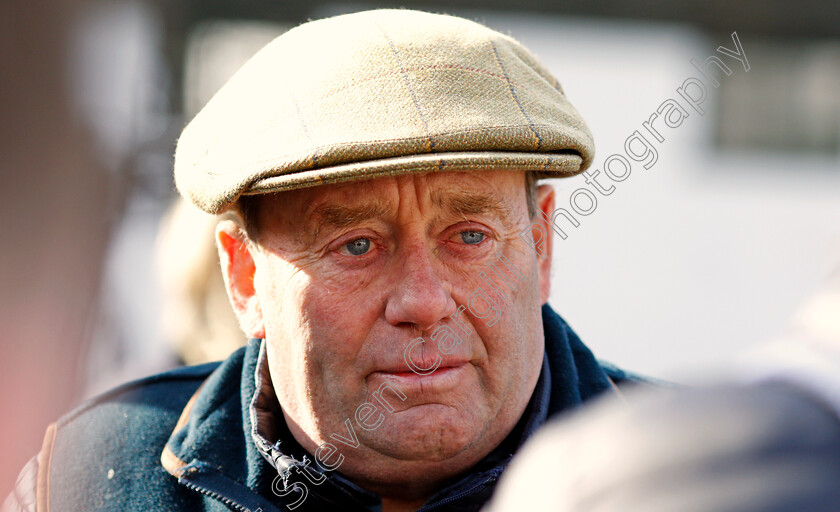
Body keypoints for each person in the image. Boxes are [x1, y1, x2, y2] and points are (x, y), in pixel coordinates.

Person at [3, 9, 649, 512]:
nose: (423, 301)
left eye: (470, 236)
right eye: (358, 245)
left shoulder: (694, 476)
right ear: (245, 278)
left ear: (540, 244)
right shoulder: (88, 480)